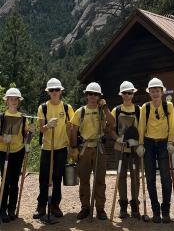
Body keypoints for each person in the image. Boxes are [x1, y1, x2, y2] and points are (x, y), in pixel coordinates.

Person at [70, 82, 114, 220]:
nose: (93, 96)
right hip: (84, 149)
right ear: (86, 95)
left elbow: (112, 123)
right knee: (84, 180)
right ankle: (85, 208)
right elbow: (73, 130)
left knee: (100, 180)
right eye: (90, 94)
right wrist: (73, 148)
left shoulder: (103, 111)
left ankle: (100, 209)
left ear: (99, 96)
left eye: (96, 94)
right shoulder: (80, 111)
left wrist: (106, 108)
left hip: (99, 148)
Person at [33, 78, 74, 219]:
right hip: (47, 148)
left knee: (57, 178)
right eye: (52, 90)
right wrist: (48, 125)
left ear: (61, 91)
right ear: (48, 92)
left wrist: (72, 146)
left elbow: (71, 127)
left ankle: (55, 205)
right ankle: (41, 205)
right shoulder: (43, 107)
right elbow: (42, 129)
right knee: (44, 178)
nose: (55, 92)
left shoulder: (67, 108)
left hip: (61, 148)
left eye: (57, 90)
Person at [136, 77, 174, 223]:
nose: (155, 93)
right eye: (152, 91)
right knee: (150, 178)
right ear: (149, 93)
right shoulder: (145, 107)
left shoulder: (168, 106)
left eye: (157, 91)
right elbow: (141, 127)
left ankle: (165, 210)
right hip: (149, 143)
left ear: (162, 92)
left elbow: (172, 125)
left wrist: (171, 142)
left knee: (166, 178)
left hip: (164, 143)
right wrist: (140, 144)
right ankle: (155, 211)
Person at [110, 81, 141, 219]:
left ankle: (135, 205)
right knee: (121, 177)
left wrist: (140, 144)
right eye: (125, 93)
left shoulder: (139, 110)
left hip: (135, 149)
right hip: (120, 148)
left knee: (135, 177)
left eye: (130, 93)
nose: (127, 95)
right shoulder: (116, 110)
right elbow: (110, 129)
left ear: (133, 94)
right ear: (121, 95)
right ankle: (123, 206)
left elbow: (143, 129)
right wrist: (117, 138)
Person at [0, 88, 31, 223]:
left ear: (19, 101)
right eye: (11, 98)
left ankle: (12, 208)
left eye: (15, 99)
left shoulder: (23, 118)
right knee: (5, 181)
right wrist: (2, 139)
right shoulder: (1, 117)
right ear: (6, 101)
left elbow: (26, 136)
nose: (13, 101)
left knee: (14, 182)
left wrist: (31, 134)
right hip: (3, 152)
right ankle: (2, 209)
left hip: (18, 151)